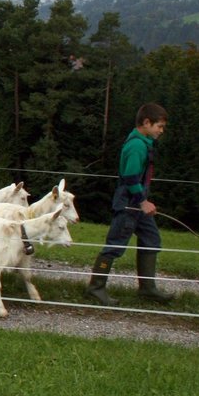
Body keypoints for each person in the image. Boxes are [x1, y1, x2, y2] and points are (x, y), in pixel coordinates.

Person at [85, 102, 176, 306]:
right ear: (146, 122)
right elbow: (130, 177)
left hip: (137, 205)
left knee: (151, 239)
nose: (161, 131)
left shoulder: (143, 143)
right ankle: (95, 288)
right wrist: (143, 202)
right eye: (159, 126)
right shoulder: (136, 146)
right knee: (115, 245)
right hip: (129, 205)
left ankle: (147, 288)